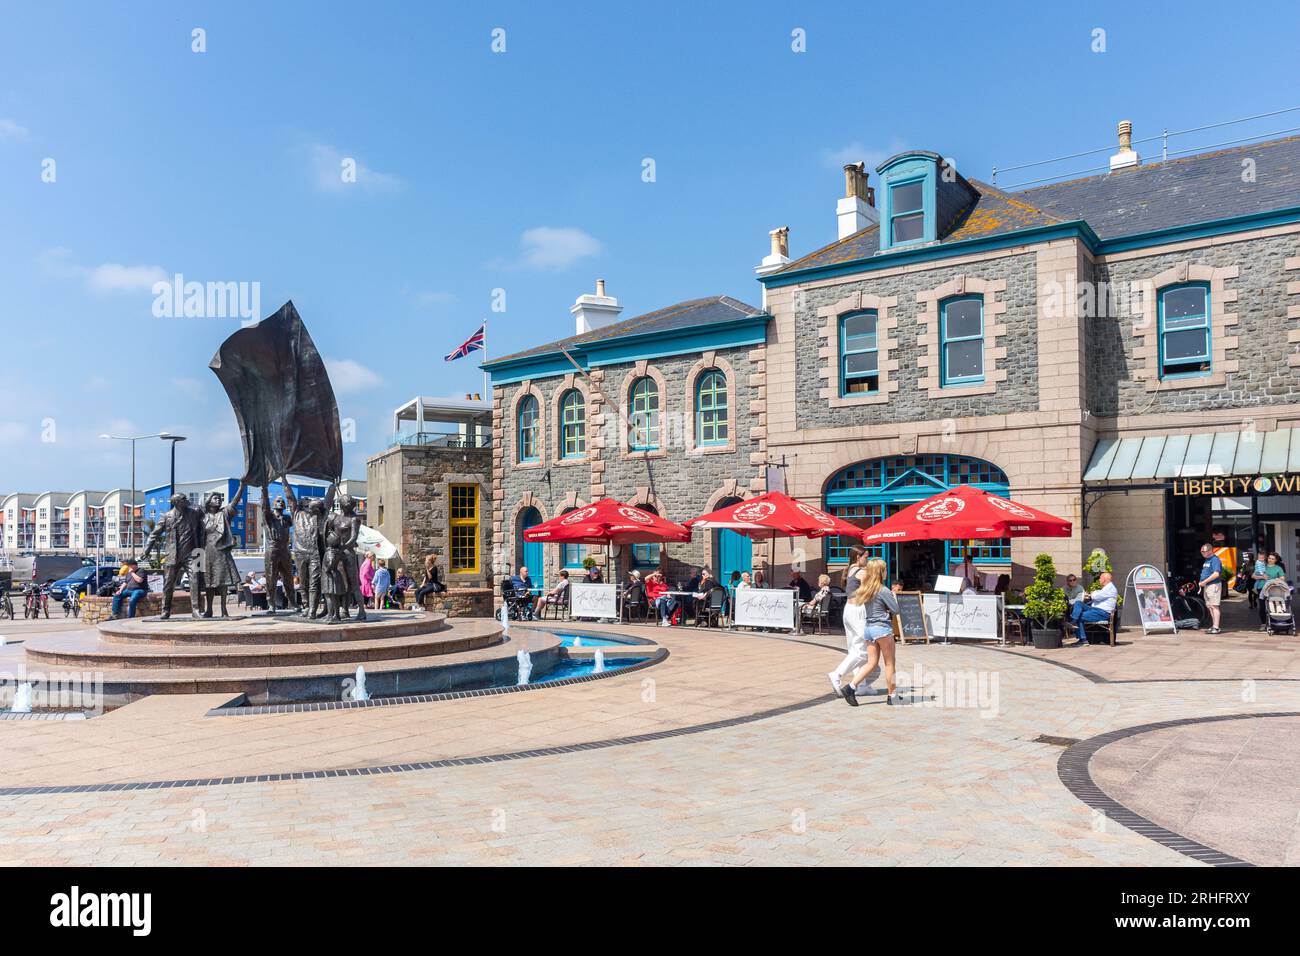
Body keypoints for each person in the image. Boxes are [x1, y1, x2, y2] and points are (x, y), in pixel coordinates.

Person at [829, 558, 900, 705]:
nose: (887, 572)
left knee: (871, 663)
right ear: (880, 572)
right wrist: (893, 598)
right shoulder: (884, 590)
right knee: (889, 663)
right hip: (882, 629)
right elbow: (896, 610)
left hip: (868, 629)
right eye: (885, 569)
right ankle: (892, 696)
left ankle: (851, 687)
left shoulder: (865, 589)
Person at [1068, 571, 1118, 645]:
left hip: (1102, 612)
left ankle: (1082, 638)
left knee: (1079, 615)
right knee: (1078, 603)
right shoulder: (1106, 588)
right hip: (1095, 610)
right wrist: (1094, 593)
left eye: (1100, 578)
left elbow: (1095, 596)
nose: (1099, 580)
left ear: (1105, 579)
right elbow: (1097, 594)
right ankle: (1074, 621)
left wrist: (1092, 593)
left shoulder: (1110, 588)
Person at [1254, 551, 1288, 629]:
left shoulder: (1278, 568)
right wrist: (1262, 577)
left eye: (1273, 559)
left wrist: (1275, 579)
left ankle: (1273, 622)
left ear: (1276, 560)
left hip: (1273, 588)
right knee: (1262, 607)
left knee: (1273, 605)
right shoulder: (1262, 565)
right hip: (1261, 588)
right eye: (1269, 558)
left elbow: (1283, 577)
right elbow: (1253, 575)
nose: (1270, 560)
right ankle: (1263, 623)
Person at [1198, 542, 1224, 634]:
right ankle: (1214, 625)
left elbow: (1216, 574)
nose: (1202, 553)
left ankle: (1216, 627)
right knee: (1209, 606)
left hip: (1213, 585)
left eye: (1203, 551)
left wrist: (1204, 581)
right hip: (1207, 586)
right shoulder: (1207, 560)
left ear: (1209, 550)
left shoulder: (1215, 560)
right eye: (1201, 551)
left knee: (1214, 606)